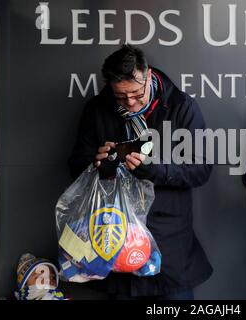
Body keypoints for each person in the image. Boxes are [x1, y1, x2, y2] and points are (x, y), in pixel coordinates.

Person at [68, 44, 212, 300]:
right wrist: (99, 163)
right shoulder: (97, 109)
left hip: (169, 243)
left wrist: (155, 170)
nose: (131, 103)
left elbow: (200, 169)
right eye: (121, 97)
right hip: (115, 239)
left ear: (147, 76)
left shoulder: (182, 106)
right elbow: (76, 165)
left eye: (136, 93)